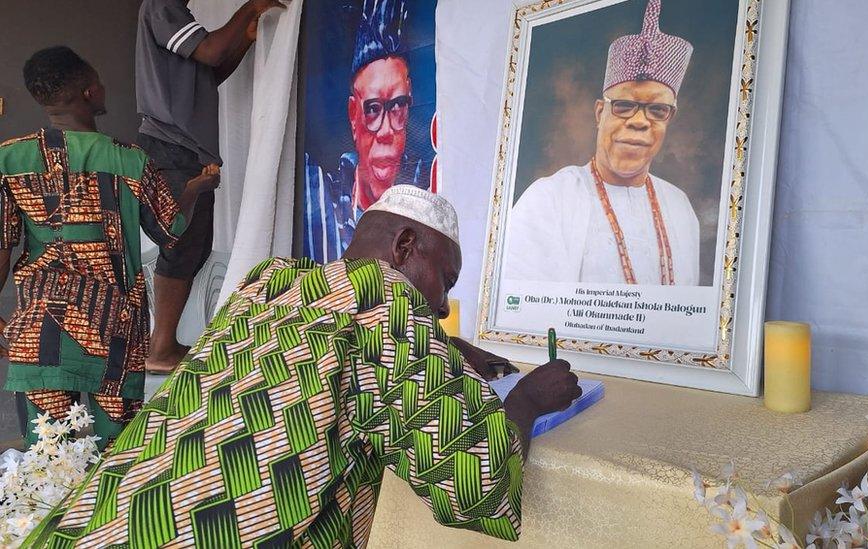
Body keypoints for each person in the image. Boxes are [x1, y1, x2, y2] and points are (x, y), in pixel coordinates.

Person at [25, 186, 581, 547]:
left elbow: (329, 344)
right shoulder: (391, 309)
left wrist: (449, 349)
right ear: (406, 245)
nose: (439, 306)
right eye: (447, 281)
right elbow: (474, 487)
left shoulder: (271, 282)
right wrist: (527, 401)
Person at [0, 47, 219, 449]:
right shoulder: (131, 161)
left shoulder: (9, 159)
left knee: (46, 460)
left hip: (40, 334)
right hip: (115, 337)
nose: (103, 88)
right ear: (86, 92)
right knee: (115, 458)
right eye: (98, 81)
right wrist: (195, 190)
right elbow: (169, 228)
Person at [136, 0, 287, 373]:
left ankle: (163, 344)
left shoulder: (176, 15)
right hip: (171, 145)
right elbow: (211, 50)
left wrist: (245, 39)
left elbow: (210, 70)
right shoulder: (161, 6)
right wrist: (251, 7)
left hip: (186, 147)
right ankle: (161, 347)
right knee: (181, 243)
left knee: (195, 247)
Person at [505, 0, 701, 286]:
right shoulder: (548, 200)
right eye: (623, 105)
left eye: (657, 110)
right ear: (600, 112)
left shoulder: (680, 207)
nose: (639, 121)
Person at [307, 0, 428, 263]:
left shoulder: (425, 204)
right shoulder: (321, 199)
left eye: (398, 106)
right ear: (353, 116)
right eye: (373, 109)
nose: (385, 131)